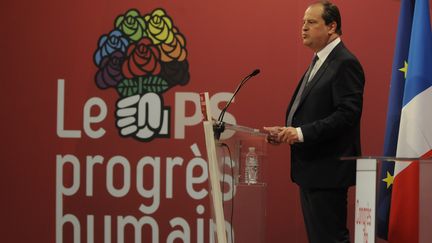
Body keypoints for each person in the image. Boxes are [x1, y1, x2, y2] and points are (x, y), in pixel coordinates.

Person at [264, 1, 365, 242]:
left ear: (332, 27)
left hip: (328, 171)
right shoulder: (320, 60)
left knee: (330, 238)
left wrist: (300, 133)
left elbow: (347, 115)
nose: (303, 28)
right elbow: (311, 110)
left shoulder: (344, 63)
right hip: (311, 169)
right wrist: (288, 130)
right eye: (302, 23)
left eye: (311, 22)